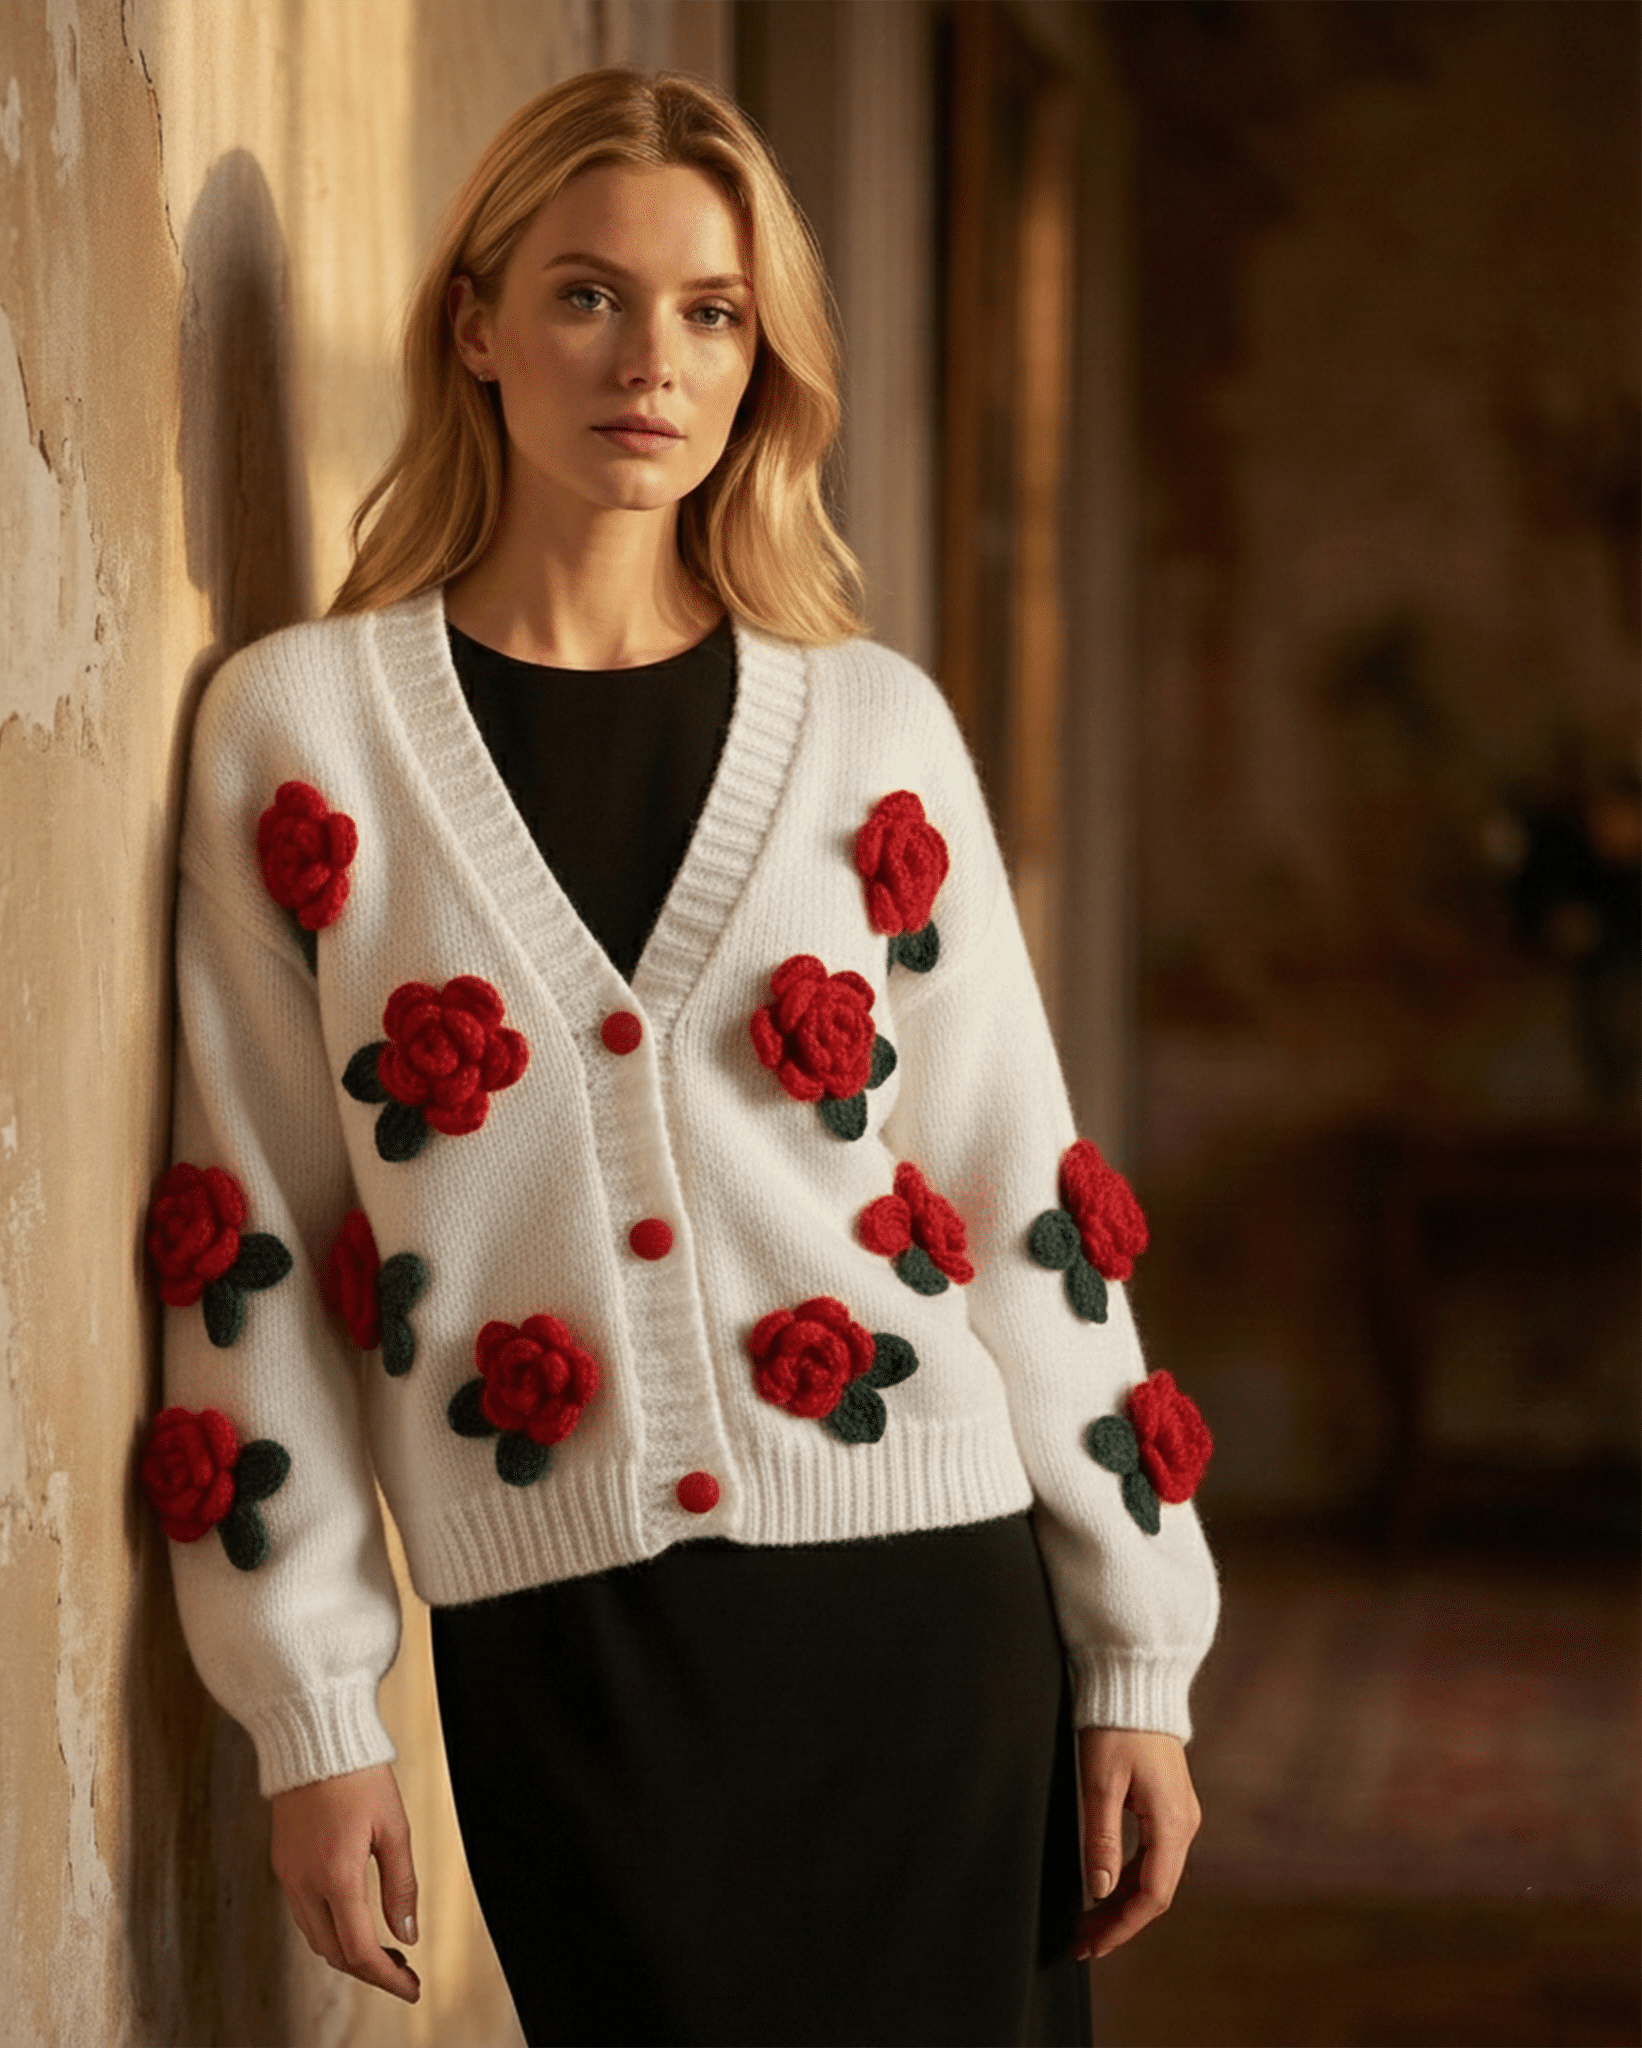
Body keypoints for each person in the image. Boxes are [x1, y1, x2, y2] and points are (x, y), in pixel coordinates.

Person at [142, 66, 1218, 2048]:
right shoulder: (299, 738)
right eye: (586, 294)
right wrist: (309, 1709)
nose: (653, 358)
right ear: (472, 327)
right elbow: (253, 1252)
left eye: (712, 311)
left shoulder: (871, 728)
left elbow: (1023, 1200)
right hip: (570, 1651)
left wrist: (1136, 1658)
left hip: (930, 1617)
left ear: (761, 358)